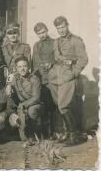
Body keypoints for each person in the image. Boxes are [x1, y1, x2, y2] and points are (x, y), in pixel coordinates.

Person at [47, 16, 88, 146]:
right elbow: (56, 57)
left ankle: (73, 135)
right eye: (58, 28)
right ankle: (66, 132)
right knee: (59, 104)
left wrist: (73, 73)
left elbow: (83, 59)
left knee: (63, 105)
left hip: (68, 76)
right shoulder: (56, 41)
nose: (61, 30)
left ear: (67, 25)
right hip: (56, 77)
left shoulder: (76, 40)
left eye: (63, 27)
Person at [32, 22, 61, 139]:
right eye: (39, 33)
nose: (42, 35)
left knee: (55, 105)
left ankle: (56, 131)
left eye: (43, 32)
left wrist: (52, 64)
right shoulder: (36, 45)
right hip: (41, 80)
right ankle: (45, 133)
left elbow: (59, 59)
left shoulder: (55, 43)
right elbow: (34, 63)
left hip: (52, 79)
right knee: (44, 105)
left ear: (47, 30)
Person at [6, 56, 43, 144]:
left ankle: (35, 135)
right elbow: (9, 84)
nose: (22, 69)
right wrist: (8, 86)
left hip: (35, 105)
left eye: (24, 66)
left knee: (31, 111)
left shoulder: (34, 79)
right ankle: (25, 136)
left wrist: (23, 105)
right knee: (22, 135)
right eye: (19, 67)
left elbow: (36, 98)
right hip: (22, 107)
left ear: (29, 67)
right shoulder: (15, 78)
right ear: (16, 69)